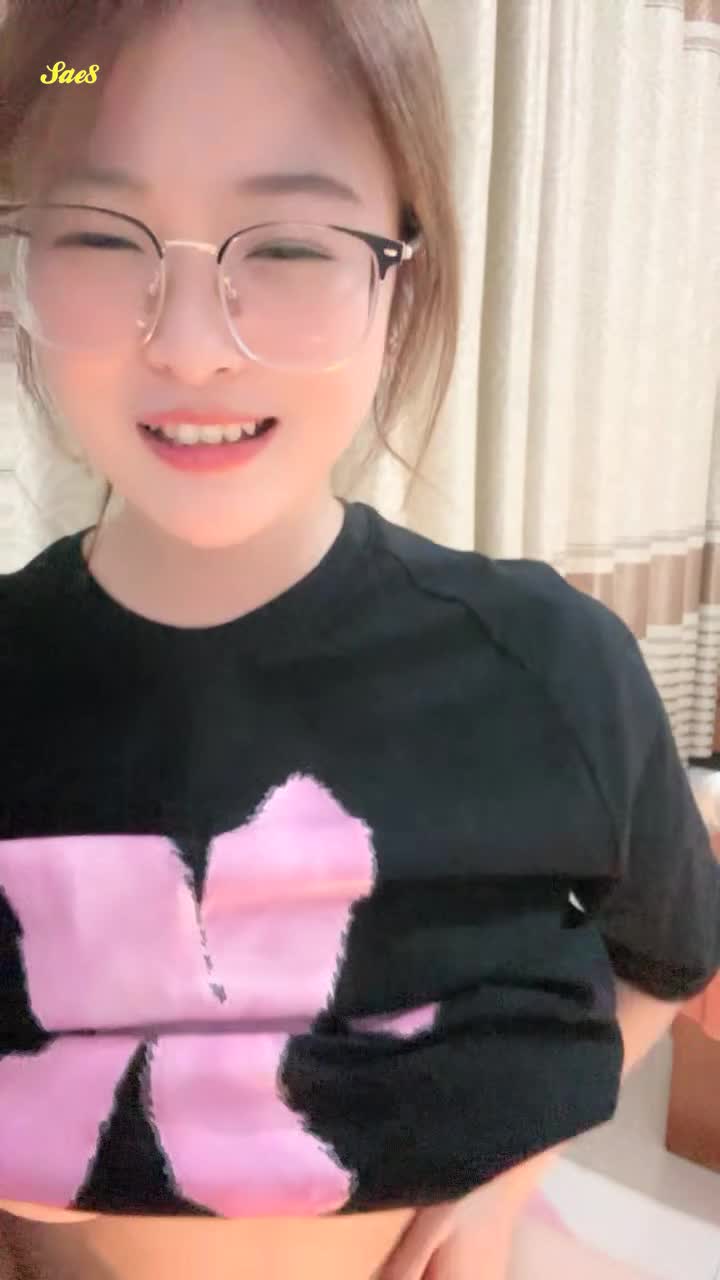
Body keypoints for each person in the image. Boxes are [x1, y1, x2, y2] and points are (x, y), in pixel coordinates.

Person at [0, 2, 718, 1277]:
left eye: (287, 245)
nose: (191, 346)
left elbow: (668, 954)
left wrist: (508, 1170)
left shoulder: (552, 667)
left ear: (402, 281)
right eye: (100, 235)